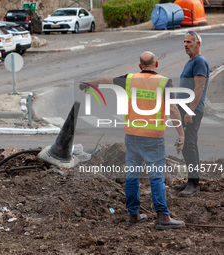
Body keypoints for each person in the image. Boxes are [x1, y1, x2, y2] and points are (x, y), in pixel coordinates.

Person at [80, 51, 185, 230]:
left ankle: (134, 215)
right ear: (156, 65)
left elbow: (106, 81)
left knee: (132, 176)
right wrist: (181, 134)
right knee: (156, 177)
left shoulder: (129, 79)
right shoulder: (164, 82)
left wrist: (88, 83)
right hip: (153, 138)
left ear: (139, 66)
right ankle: (162, 217)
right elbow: (173, 110)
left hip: (133, 136)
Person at [173, 31, 209, 197]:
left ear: (198, 44)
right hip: (185, 109)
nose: (186, 45)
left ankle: (194, 184)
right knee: (186, 146)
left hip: (191, 110)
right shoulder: (191, 61)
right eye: (185, 42)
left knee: (190, 145)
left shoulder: (200, 62)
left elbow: (199, 88)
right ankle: (190, 180)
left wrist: (190, 111)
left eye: (189, 42)